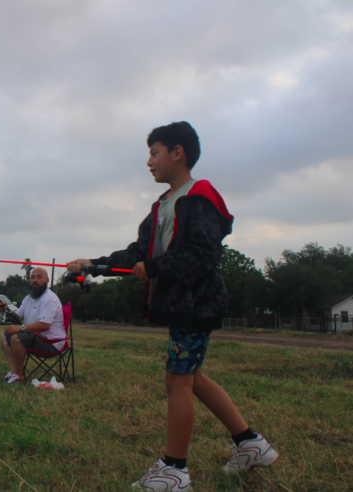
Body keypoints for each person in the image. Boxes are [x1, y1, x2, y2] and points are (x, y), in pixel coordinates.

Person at [68, 122, 278, 491]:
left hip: (198, 302)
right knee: (191, 377)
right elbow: (138, 255)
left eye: (154, 153)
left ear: (177, 152)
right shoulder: (163, 205)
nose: (149, 162)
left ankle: (174, 470)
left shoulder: (201, 196)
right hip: (182, 304)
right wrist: (93, 264)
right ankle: (250, 443)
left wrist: (154, 268)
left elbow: (200, 254)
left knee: (177, 380)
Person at [0, 267, 64, 385]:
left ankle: (19, 377)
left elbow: (45, 325)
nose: (35, 280)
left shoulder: (49, 298)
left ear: (47, 280)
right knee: (5, 335)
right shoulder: (29, 298)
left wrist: (21, 328)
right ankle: (13, 372)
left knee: (17, 337)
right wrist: (4, 311)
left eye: (39, 277)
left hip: (51, 343)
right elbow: (18, 318)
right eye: (32, 277)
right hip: (35, 337)